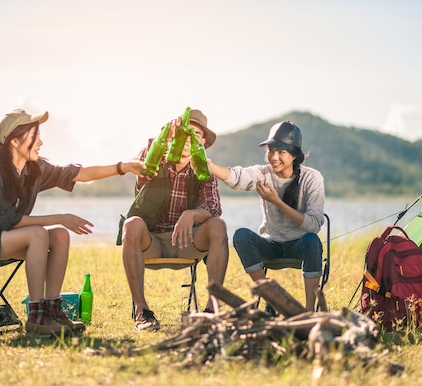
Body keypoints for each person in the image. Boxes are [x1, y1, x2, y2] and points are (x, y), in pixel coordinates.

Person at [0, 108, 143, 336]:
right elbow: (9, 221)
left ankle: (53, 310)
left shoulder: (33, 170)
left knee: (60, 234)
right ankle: (36, 317)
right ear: (14, 141)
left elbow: (80, 174)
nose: (40, 142)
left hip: (4, 238)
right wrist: (61, 217)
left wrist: (123, 167)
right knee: (38, 233)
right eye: (34, 136)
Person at [120, 109, 229, 331]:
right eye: (184, 133)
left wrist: (191, 214)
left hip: (186, 243)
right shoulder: (156, 157)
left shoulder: (204, 169)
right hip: (152, 242)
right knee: (131, 224)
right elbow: (142, 164)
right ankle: (142, 312)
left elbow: (214, 207)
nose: (189, 139)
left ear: (204, 142)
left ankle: (212, 310)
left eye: (196, 134)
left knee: (218, 225)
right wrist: (164, 138)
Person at [208, 121, 325, 311]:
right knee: (242, 235)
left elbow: (313, 225)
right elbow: (238, 177)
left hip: (300, 245)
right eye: (271, 150)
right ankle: (273, 298)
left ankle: (309, 310)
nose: (274, 157)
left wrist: (276, 201)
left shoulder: (312, 178)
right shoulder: (263, 173)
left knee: (312, 240)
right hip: (270, 243)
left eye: (281, 152)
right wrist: (212, 168)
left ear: (295, 155)